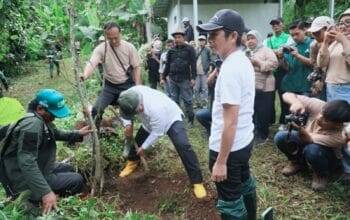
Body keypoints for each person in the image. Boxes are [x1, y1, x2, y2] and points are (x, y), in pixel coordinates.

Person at [197, 9, 257, 220]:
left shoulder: (231, 68)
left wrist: (221, 161)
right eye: (209, 35)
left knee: (230, 200)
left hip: (229, 149)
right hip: (243, 141)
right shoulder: (242, 61)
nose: (210, 40)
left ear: (233, 36)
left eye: (215, 35)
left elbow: (229, 122)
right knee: (244, 184)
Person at [0, 89, 91, 215]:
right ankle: (47, 198)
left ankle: (56, 192)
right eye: (53, 114)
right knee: (76, 180)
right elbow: (27, 162)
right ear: (40, 108)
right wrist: (45, 192)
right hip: (21, 180)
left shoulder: (40, 119)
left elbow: (54, 133)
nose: (54, 118)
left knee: (70, 169)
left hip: (40, 166)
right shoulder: (32, 126)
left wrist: (77, 134)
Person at [117, 85, 207, 199]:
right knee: (138, 140)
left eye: (138, 109)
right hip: (148, 122)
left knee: (183, 145)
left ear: (140, 102)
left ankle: (197, 181)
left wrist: (144, 147)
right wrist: (128, 125)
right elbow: (124, 113)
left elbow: (157, 132)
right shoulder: (127, 96)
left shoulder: (156, 107)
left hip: (171, 119)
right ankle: (132, 162)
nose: (138, 112)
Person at [274, 92, 350, 191]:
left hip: (327, 156)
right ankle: (297, 163)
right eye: (322, 113)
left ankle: (321, 174)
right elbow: (286, 94)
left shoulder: (340, 135)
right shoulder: (320, 106)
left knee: (312, 150)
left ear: (337, 125)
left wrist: (300, 129)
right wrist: (295, 102)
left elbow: (308, 139)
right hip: (308, 139)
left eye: (326, 120)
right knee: (281, 137)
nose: (319, 118)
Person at [81, 22, 142, 128]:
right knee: (96, 109)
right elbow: (92, 63)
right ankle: (96, 133)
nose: (113, 41)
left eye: (116, 38)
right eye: (110, 38)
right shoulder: (101, 49)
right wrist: (84, 75)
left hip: (127, 85)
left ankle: (129, 136)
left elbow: (136, 67)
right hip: (110, 87)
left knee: (129, 112)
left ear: (120, 34)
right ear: (105, 36)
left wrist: (137, 87)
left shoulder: (129, 47)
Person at [317, 8, 350, 183]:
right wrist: (325, 43)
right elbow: (321, 63)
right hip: (332, 88)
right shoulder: (335, 42)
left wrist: (343, 40)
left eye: (348, 22)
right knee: (335, 126)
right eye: (342, 22)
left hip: (347, 89)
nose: (344, 26)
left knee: (348, 129)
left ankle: (348, 169)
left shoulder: (343, 41)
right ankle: (340, 164)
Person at [246, 30, 278, 144]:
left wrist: (257, 62)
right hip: (251, 86)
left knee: (263, 111)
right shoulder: (247, 52)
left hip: (266, 87)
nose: (250, 41)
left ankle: (263, 135)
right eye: (248, 38)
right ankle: (255, 132)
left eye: (252, 38)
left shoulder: (266, 50)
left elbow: (274, 64)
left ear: (258, 39)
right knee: (253, 110)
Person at [278, 21, 313, 124]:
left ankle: (304, 132)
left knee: (304, 112)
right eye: (292, 35)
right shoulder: (291, 46)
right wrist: (281, 58)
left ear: (305, 30)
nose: (294, 37)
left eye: (297, 34)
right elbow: (287, 68)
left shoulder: (312, 43)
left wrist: (298, 55)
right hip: (290, 84)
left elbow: (315, 64)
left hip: (306, 85)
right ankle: (291, 130)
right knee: (292, 112)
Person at [162, 28, 196, 125]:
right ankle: (177, 118)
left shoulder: (190, 49)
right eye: (175, 38)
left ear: (183, 37)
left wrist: (193, 78)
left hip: (185, 79)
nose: (177, 39)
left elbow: (193, 64)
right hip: (172, 79)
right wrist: (163, 77)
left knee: (187, 100)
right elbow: (168, 65)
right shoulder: (171, 51)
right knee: (174, 100)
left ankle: (191, 119)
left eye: (179, 37)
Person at [267, 17, 294, 130]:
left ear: (282, 25)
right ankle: (270, 120)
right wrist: (278, 51)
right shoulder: (269, 39)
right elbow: (267, 51)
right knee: (269, 97)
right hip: (271, 72)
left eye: (277, 23)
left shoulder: (289, 37)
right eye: (273, 24)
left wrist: (277, 51)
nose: (275, 26)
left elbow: (288, 49)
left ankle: (284, 121)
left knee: (284, 98)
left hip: (285, 71)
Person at [307, 16, 334, 99]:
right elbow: (314, 64)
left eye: (317, 33)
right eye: (313, 33)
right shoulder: (314, 45)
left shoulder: (338, 42)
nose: (315, 36)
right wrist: (320, 80)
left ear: (327, 29)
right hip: (322, 80)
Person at [194, 35, 211, 108]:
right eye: (200, 40)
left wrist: (210, 69)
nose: (201, 41)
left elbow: (210, 60)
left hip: (204, 72)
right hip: (196, 72)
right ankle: (197, 103)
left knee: (205, 88)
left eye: (203, 40)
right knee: (196, 88)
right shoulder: (195, 49)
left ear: (205, 41)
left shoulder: (208, 50)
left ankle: (204, 103)